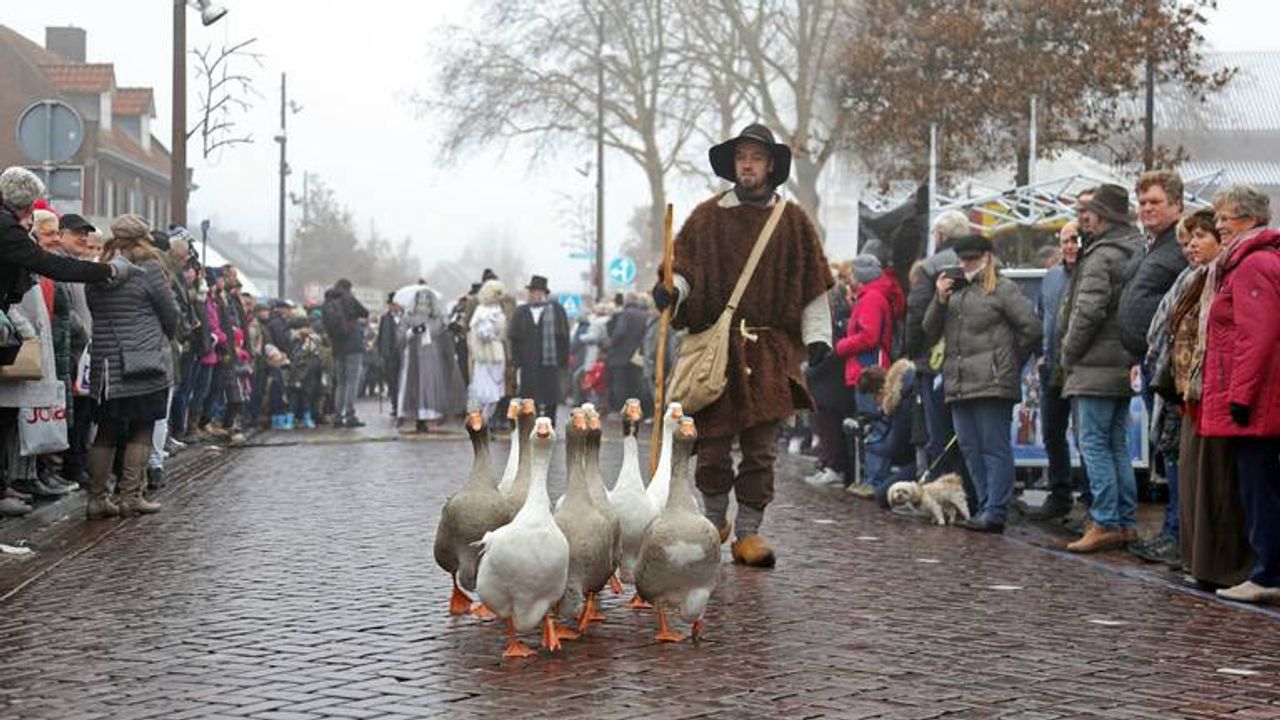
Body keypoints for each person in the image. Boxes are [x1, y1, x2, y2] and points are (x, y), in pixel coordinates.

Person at [652, 123, 832, 568]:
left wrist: (818, 336)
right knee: (711, 447)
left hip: (769, 354)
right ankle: (714, 522)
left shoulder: (793, 222)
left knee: (760, 450)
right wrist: (674, 291)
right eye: (741, 158)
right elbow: (684, 268)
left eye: (756, 158)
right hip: (718, 352)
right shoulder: (707, 218)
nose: (747, 165)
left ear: (771, 165)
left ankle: (749, 532)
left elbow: (813, 285)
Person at [922, 233, 1041, 533]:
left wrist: (1009, 361)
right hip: (959, 382)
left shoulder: (1003, 288)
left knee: (993, 447)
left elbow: (1031, 327)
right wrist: (939, 299)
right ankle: (986, 505)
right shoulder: (955, 290)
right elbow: (929, 330)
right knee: (970, 448)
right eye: (962, 260)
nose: (966, 265)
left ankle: (996, 510)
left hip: (992, 383)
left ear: (986, 257)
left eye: (972, 259)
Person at [1199, 185, 1280, 605]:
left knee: (1258, 485)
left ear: (1249, 219)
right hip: (1261, 394)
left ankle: (1268, 573)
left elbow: (1257, 337)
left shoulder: (1252, 265)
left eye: (1225, 217)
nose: (1219, 225)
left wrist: (1241, 397)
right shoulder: (1256, 260)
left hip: (1257, 400)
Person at [1059, 184, 1144, 553]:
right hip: (1121, 362)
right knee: (1116, 443)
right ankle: (1125, 521)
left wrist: (1068, 352)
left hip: (1094, 365)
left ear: (1103, 215)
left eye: (1089, 211)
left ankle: (1106, 520)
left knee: (1094, 443)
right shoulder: (1135, 248)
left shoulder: (1101, 255)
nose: (1084, 217)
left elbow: (1088, 311)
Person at [84, 215, 179, 518]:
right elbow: (170, 311)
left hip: (106, 365)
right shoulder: (149, 267)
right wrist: (165, 335)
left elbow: (92, 308)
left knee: (106, 430)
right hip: (144, 360)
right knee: (143, 426)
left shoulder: (100, 267)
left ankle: (97, 499)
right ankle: (130, 496)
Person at [1118, 170, 1189, 565]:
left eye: (1155, 202)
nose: (1146, 208)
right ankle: (1171, 531)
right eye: (1142, 202)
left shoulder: (1181, 247)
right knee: (1165, 449)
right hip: (1148, 362)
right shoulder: (1151, 246)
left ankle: (1177, 534)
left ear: (1176, 205)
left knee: (1173, 449)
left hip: (1170, 367)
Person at [904, 210, 973, 497]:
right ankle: (972, 494)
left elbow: (916, 314)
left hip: (934, 362)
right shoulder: (983, 263)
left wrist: (911, 351)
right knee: (969, 435)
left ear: (940, 236)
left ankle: (942, 495)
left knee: (939, 434)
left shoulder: (929, 267)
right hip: (972, 360)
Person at [1029, 220, 1087, 521]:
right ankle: (1060, 493)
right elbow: (1042, 317)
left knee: (1085, 436)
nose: (1070, 246)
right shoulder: (1051, 276)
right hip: (1052, 368)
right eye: (1065, 240)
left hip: (1081, 368)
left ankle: (1090, 500)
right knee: (1052, 432)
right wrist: (1040, 355)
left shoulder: (1091, 273)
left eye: (1075, 239)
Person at [834, 253, 904, 495]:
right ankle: (870, 478)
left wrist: (841, 345)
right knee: (871, 424)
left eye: (853, 273)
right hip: (867, 365)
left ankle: (874, 481)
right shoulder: (870, 296)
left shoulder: (871, 298)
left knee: (874, 424)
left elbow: (869, 336)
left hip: (869, 367)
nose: (849, 278)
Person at [397, 285, 467, 432]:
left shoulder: (436, 319)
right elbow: (401, 336)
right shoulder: (408, 317)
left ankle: (428, 415)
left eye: (426, 301)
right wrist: (412, 331)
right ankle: (418, 416)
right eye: (420, 301)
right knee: (415, 385)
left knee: (430, 384)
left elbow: (441, 334)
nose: (423, 304)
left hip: (432, 357)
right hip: (414, 358)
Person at [509, 275, 570, 423]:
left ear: (544, 293)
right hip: (528, 362)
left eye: (537, 291)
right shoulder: (521, 311)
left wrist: (563, 360)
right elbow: (514, 337)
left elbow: (564, 337)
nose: (533, 295)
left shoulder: (556, 310)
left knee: (551, 396)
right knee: (529, 396)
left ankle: (550, 423)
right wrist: (516, 361)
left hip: (550, 362)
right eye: (531, 292)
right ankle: (532, 424)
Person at [322, 278, 370, 427]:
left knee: (341, 382)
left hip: (337, 347)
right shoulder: (348, 298)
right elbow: (365, 312)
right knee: (352, 382)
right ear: (348, 288)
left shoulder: (327, 302)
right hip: (353, 346)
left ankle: (337, 416)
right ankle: (350, 415)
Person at [467, 279, 508, 422]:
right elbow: (480, 333)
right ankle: (480, 421)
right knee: (483, 392)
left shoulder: (499, 311)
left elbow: (502, 332)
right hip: (483, 357)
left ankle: (487, 420)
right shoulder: (481, 311)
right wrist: (489, 327)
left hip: (497, 355)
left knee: (495, 393)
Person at [606, 293, 649, 412]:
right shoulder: (645, 315)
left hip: (621, 357)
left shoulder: (626, 314)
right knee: (636, 386)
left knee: (620, 386)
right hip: (637, 356)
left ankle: (621, 410)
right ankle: (635, 411)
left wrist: (610, 343)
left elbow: (620, 332)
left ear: (626, 301)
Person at [377, 294, 403, 417]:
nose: (394, 307)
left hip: (403, 354)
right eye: (392, 304)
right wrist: (381, 354)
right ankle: (395, 405)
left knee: (402, 381)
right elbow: (381, 337)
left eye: (395, 304)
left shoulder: (405, 317)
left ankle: (403, 405)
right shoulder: (385, 318)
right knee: (392, 381)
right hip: (390, 355)